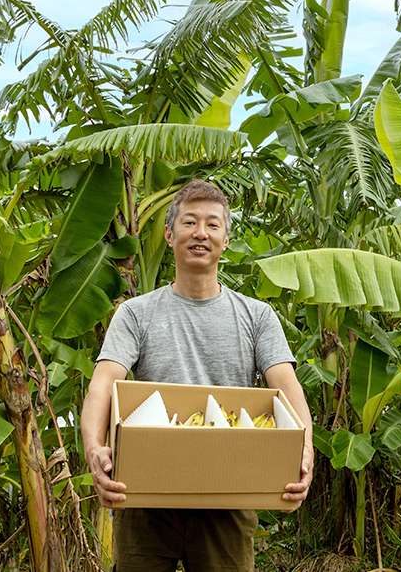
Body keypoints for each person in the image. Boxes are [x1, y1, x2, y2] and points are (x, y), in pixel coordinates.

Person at [81, 179, 313, 572]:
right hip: (146, 494)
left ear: (225, 238)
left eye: (212, 224)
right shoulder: (136, 314)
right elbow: (102, 384)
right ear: (170, 235)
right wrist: (94, 448)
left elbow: (288, 391)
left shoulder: (257, 317)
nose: (200, 233)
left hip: (230, 494)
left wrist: (303, 452)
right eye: (189, 223)